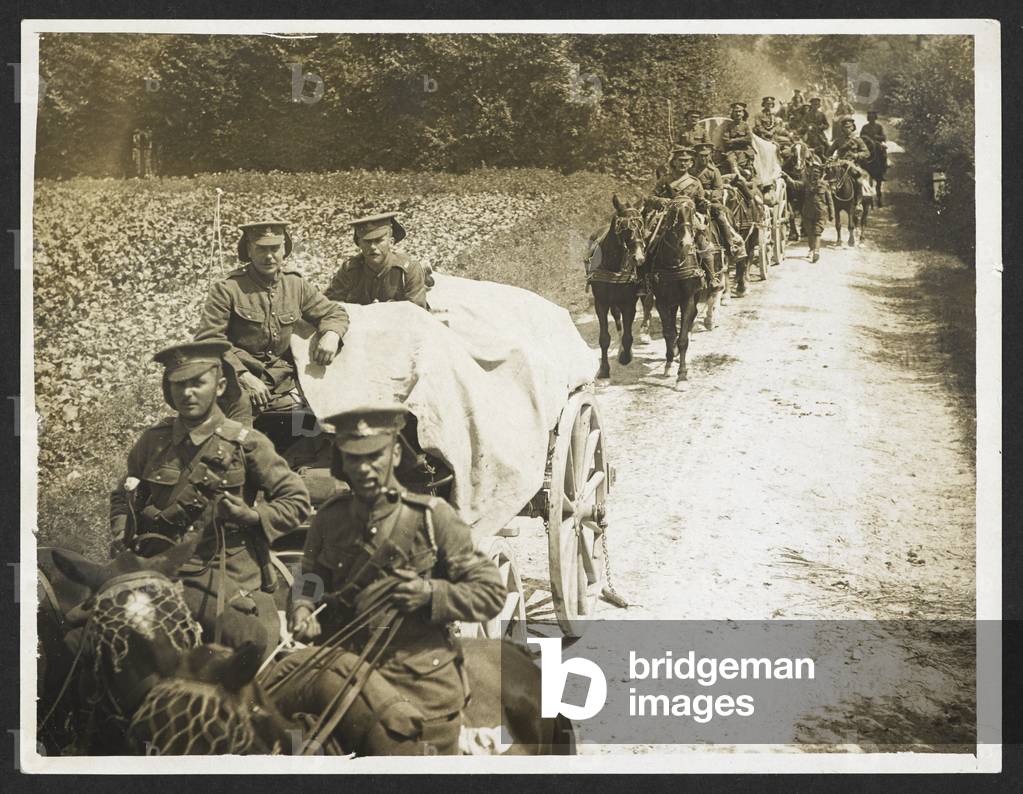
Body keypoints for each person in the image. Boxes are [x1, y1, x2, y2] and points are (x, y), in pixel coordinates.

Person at [286, 403, 506, 755]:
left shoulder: (432, 519)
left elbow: (491, 593)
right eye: (354, 458)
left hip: (419, 684)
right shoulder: (329, 519)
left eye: (375, 455)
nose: (364, 468)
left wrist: (430, 594)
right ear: (341, 460)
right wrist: (301, 607)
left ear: (396, 452)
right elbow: (310, 578)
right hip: (345, 680)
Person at [109, 340, 312, 655]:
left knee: (246, 650)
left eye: (197, 383)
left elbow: (295, 499)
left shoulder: (247, 443)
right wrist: (121, 530)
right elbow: (124, 494)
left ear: (219, 387)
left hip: (228, 576)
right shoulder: (153, 442)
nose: (187, 393)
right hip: (159, 569)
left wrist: (254, 516)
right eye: (178, 384)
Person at [195, 220, 350, 425]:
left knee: (313, 425)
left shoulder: (295, 284)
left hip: (282, 378)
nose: (269, 256)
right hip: (237, 378)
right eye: (261, 249)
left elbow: (334, 312)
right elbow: (208, 340)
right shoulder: (227, 289)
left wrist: (331, 334)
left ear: (284, 249)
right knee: (241, 433)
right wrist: (244, 377)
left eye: (275, 248)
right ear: (249, 250)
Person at [325, 212, 431, 309]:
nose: (372, 247)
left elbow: (416, 313)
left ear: (391, 241)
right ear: (359, 243)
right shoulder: (349, 269)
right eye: (367, 241)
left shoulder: (409, 269)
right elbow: (330, 306)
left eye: (378, 240)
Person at [651, 147, 722, 289]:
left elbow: (700, 201)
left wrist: (703, 203)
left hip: (690, 216)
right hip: (668, 216)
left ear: (691, 163)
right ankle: (644, 280)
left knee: (703, 242)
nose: (684, 164)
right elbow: (651, 196)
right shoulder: (666, 179)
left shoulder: (695, 182)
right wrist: (660, 201)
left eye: (687, 161)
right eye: (680, 161)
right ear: (674, 162)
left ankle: (711, 277)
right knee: (650, 240)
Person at [692, 142, 749, 266]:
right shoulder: (690, 171)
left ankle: (731, 246)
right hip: (691, 204)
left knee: (721, 218)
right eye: (701, 156)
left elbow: (719, 191)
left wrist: (704, 194)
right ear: (696, 157)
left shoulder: (714, 171)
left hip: (711, 204)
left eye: (706, 155)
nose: (704, 158)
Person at [783, 155, 832, 263]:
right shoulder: (806, 183)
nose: (815, 174)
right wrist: (786, 177)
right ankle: (811, 249)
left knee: (817, 232)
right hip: (807, 213)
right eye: (814, 172)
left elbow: (830, 201)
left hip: (820, 213)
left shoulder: (825, 185)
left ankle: (817, 251)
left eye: (817, 172)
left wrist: (832, 214)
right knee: (810, 232)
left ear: (820, 174)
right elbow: (795, 184)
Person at [828, 116, 872, 182]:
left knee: (859, 182)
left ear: (852, 127)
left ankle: (859, 192)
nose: (847, 129)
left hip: (853, 164)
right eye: (845, 127)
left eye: (849, 127)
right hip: (839, 164)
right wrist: (831, 158)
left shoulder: (857, 140)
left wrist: (856, 155)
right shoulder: (838, 140)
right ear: (842, 128)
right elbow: (829, 152)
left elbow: (867, 153)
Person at [720, 101, 756, 177]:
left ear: (743, 113)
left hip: (745, 151)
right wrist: (741, 140)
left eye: (740, 111)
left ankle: (745, 175)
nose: (738, 114)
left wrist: (733, 140)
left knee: (747, 165)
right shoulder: (728, 126)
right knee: (731, 162)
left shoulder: (746, 126)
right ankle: (739, 177)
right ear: (732, 114)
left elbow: (749, 139)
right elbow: (726, 141)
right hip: (732, 151)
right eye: (735, 112)